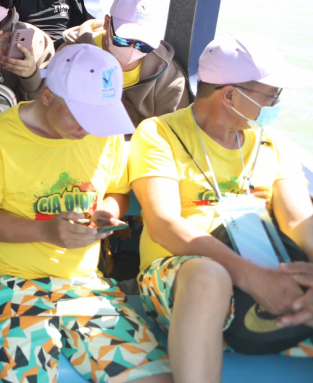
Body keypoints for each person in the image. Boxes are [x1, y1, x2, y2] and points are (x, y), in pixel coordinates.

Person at [0, 44, 171, 383]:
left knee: (153, 377)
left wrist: (106, 212)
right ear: (47, 96)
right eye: (81, 116)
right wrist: (46, 232)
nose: (90, 129)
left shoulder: (106, 134)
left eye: (99, 117)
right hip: (8, 283)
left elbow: (117, 189)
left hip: (86, 286)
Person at [131, 35, 313, 375]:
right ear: (230, 95)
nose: (276, 103)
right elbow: (162, 222)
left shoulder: (274, 143)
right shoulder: (160, 134)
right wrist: (251, 278)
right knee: (208, 275)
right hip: (182, 277)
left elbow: (300, 219)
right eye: (272, 94)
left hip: (268, 271)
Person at [64, 0, 190, 129]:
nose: (133, 49)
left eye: (144, 45)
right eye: (123, 40)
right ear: (107, 23)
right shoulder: (70, 54)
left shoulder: (169, 78)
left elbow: (172, 129)